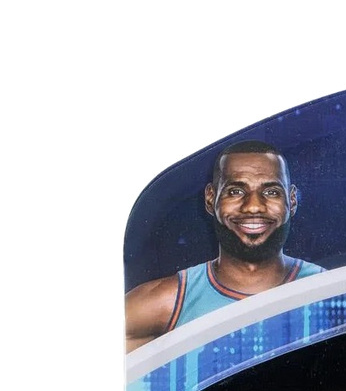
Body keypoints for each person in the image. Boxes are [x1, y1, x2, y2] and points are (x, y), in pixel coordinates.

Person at [125, 140, 322, 350]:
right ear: (211, 199)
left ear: (291, 200)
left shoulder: (327, 290)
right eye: (236, 191)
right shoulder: (165, 303)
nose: (253, 206)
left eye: (271, 192)